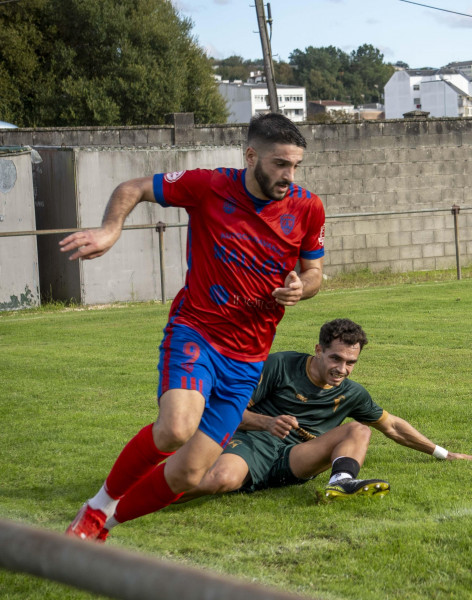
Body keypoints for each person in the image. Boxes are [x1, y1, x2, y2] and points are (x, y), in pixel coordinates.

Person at [60, 112, 326, 543]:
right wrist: (111, 231)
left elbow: (314, 272)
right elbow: (134, 188)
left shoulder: (307, 207)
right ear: (251, 155)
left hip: (248, 357)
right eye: (280, 163)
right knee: (176, 428)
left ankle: (102, 526)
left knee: (187, 472)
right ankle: (97, 505)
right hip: (197, 331)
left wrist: (302, 286)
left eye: (295, 165)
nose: (288, 175)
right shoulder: (209, 185)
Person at [169, 318, 472, 511]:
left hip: (296, 460)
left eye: (350, 362)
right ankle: (139, 496)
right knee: (221, 479)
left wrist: (444, 453)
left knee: (359, 430)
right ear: (318, 350)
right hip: (255, 443)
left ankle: (342, 481)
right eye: (335, 358)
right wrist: (267, 421)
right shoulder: (280, 365)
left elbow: (394, 427)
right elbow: (224, 410)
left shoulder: (352, 392)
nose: (342, 369)